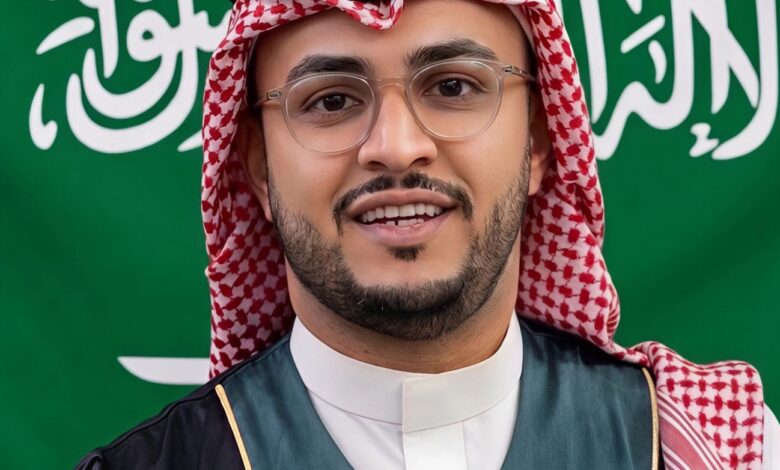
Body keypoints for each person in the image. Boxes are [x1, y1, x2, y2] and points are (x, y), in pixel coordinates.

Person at [77, 0, 779, 469]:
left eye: (452, 87)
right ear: (258, 169)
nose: (396, 147)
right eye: (331, 100)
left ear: (540, 143)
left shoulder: (700, 449)